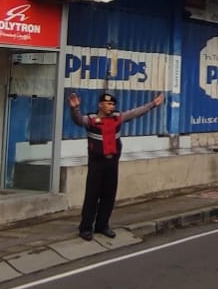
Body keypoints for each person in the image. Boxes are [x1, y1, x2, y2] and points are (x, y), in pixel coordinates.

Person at [68, 90, 164, 240]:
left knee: (109, 196)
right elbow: (78, 120)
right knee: (92, 196)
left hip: (112, 163)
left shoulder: (118, 117)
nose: (112, 107)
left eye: (113, 104)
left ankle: (102, 225)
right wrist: (75, 108)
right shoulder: (91, 119)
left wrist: (152, 104)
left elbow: (136, 112)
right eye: (108, 104)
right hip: (96, 163)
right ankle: (86, 228)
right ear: (100, 105)